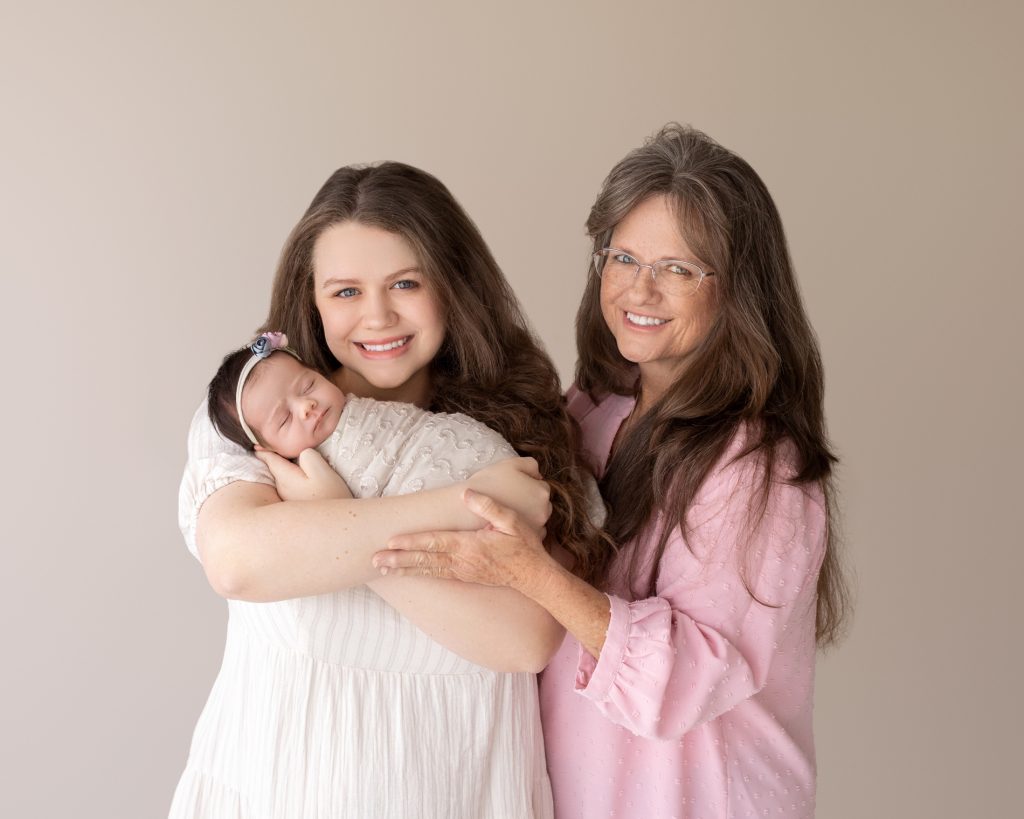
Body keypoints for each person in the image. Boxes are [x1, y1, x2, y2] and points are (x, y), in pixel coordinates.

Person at [375, 124, 850, 819]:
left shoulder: (760, 467)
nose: (640, 288)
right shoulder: (591, 413)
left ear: (737, 291)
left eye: (678, 269)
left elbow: (686, 678)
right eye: (623, 257)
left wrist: (530, 573)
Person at [170, 162, 606, 819]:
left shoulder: (522, 430)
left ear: (452, 286)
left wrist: (331, 523)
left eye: (405, 282)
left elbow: (525, 639)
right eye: (345, 291)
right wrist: (442, 507)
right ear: (311, 301)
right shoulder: (261, 417)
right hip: (278, 787)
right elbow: (236, 559)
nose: (377, 316)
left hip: (460, 792)